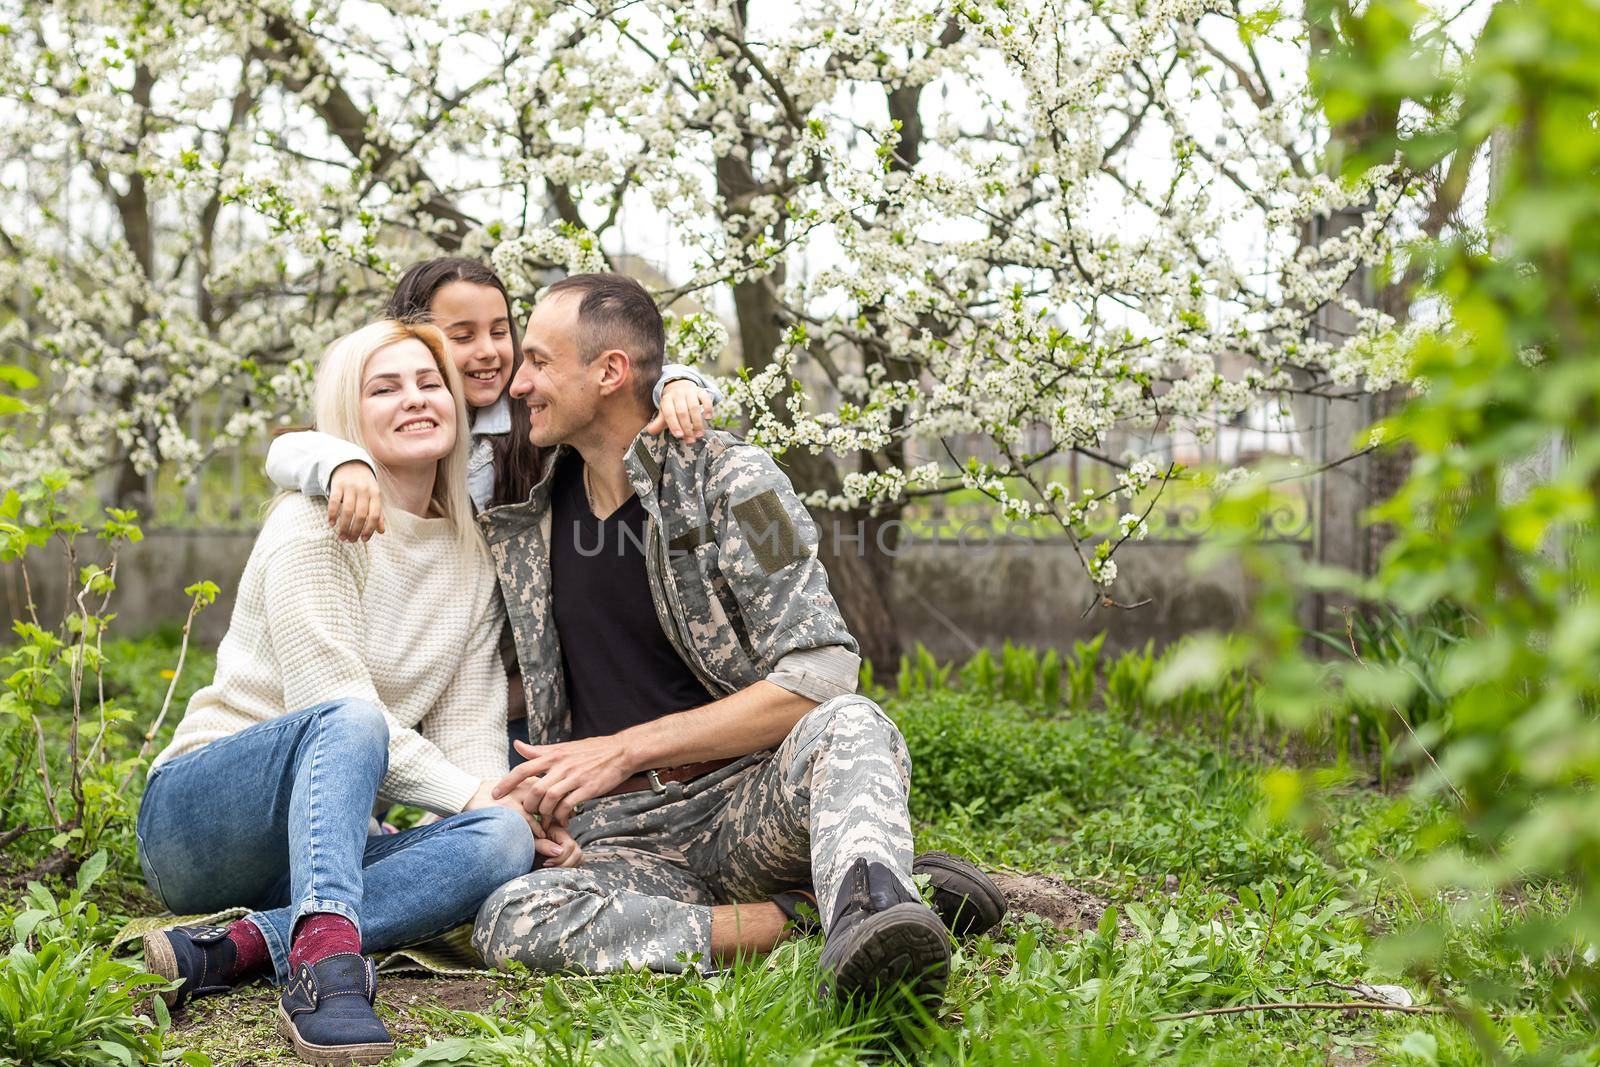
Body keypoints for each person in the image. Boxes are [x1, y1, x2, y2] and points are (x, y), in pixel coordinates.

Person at [470, 273, 1006, 1005]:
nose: (519, 381)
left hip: (747, 800)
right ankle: (811, 916)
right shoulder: (523, 523)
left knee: (850, 723)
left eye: (537, 360)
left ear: (609, 372)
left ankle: (876, 921)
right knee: (511, 917)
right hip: (619, 836)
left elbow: (821, 673)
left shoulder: (738, 484)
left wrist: (626, 747)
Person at [136, 320, 574, 1066]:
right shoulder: (311, 523)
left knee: (499, 838)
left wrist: (506, 811)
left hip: (323, 843)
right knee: (351, 716)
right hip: (201, 819)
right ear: (350, 412)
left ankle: (246, 943)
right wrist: (475, 797)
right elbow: (335, 708)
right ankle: (328, 974)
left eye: (429, 382)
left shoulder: (469, 555)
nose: (415, 399)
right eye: (386, 387)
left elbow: (467, 737)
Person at [264, 257, 719, 763]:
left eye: (499, 331)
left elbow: (613, 388)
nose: (487, 352)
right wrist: (341, 462)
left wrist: (674, 381)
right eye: (462, 336)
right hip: (413, 663)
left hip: (509, 683)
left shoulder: (536, 416)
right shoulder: (391, 424)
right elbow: (287, 450)